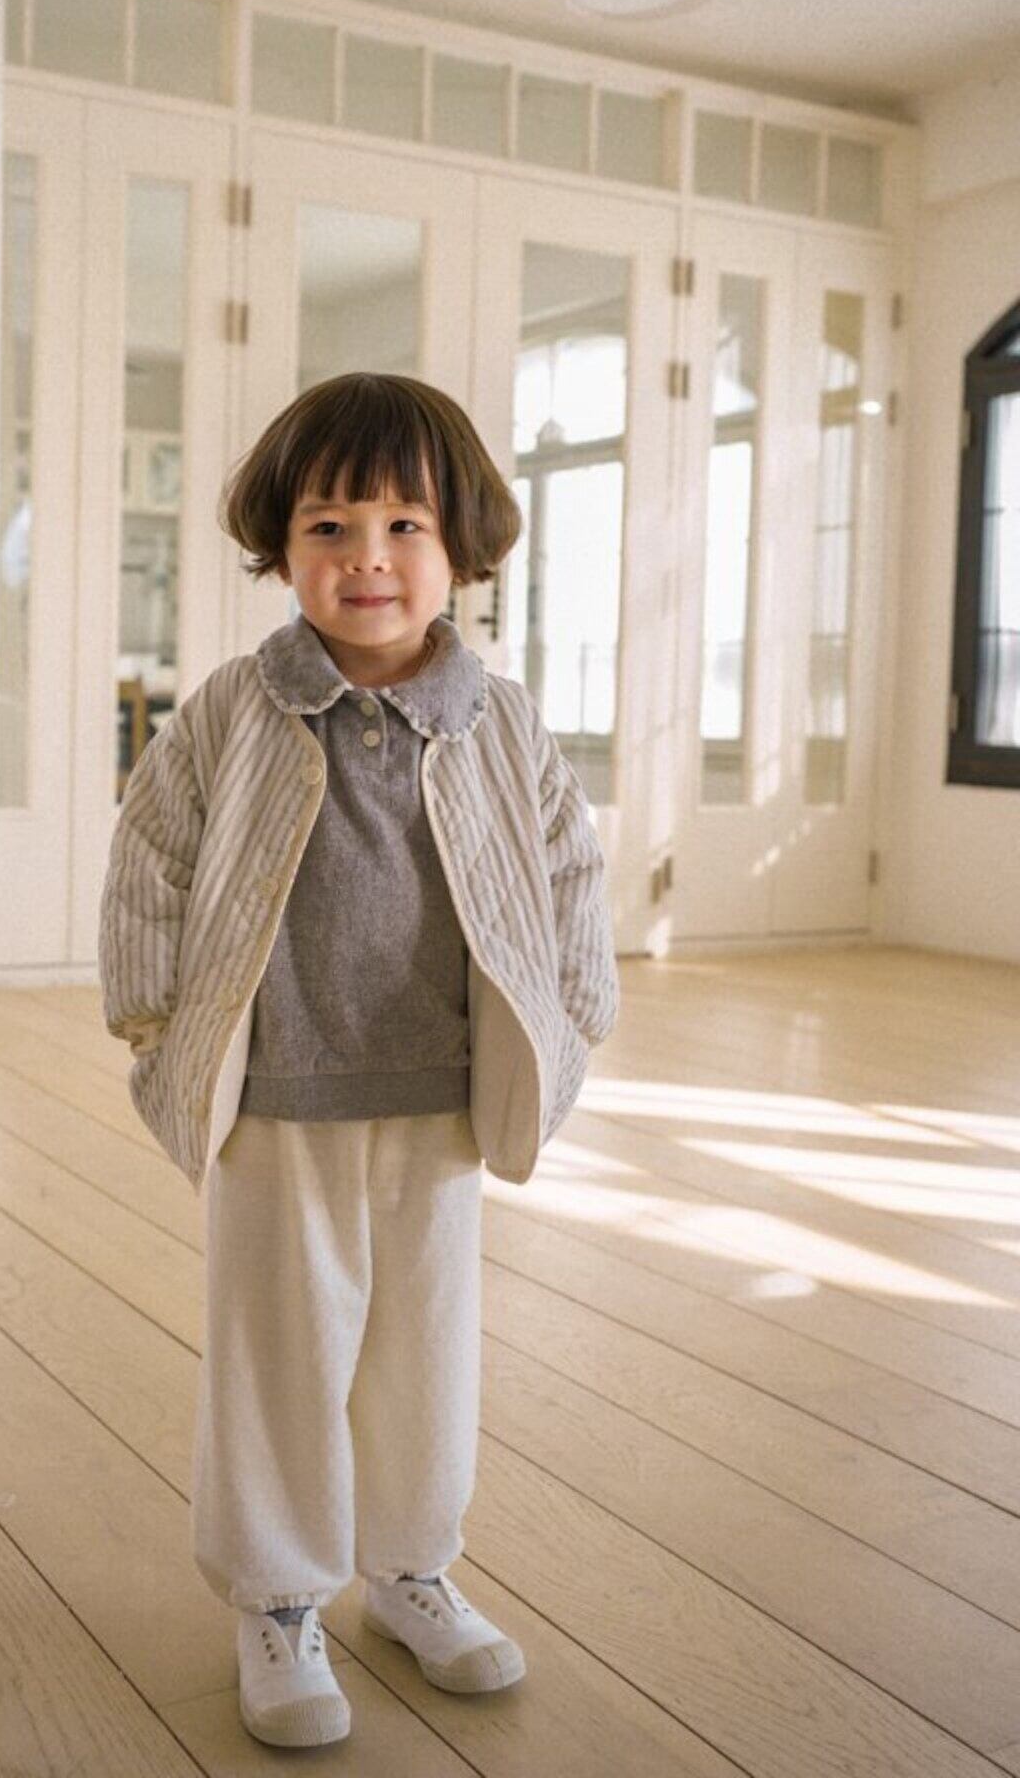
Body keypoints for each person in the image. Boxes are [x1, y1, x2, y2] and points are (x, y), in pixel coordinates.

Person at [98, 372, 619, 1749]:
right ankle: (279, 1597)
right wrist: (157, 1032)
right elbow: (150, 860)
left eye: (404, 527)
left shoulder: (500, 721)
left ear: (464, 551)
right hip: (277, 1097)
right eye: (329, 527)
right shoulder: (233, 708)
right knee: (279, 1354)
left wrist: (572, 1019)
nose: (368, 559)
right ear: (281, 548)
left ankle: (410, 1569)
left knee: (425, 1350)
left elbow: (569, 872)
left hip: (441, 1096)